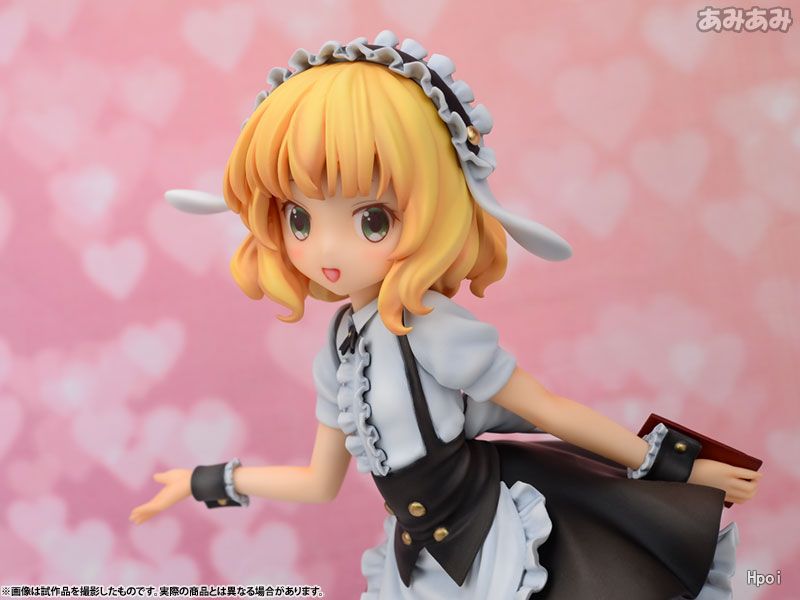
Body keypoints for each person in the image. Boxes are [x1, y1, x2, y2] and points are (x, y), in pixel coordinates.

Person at [129, 31, 760, 599]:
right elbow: (321, 481)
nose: (326, 250)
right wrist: (205, 482)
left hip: (490, 545)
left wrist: (675, 467)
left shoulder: (430, 325)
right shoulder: (343, 345)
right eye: (300, 218)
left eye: (371, 219)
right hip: (418, 559)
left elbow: (546, 410)